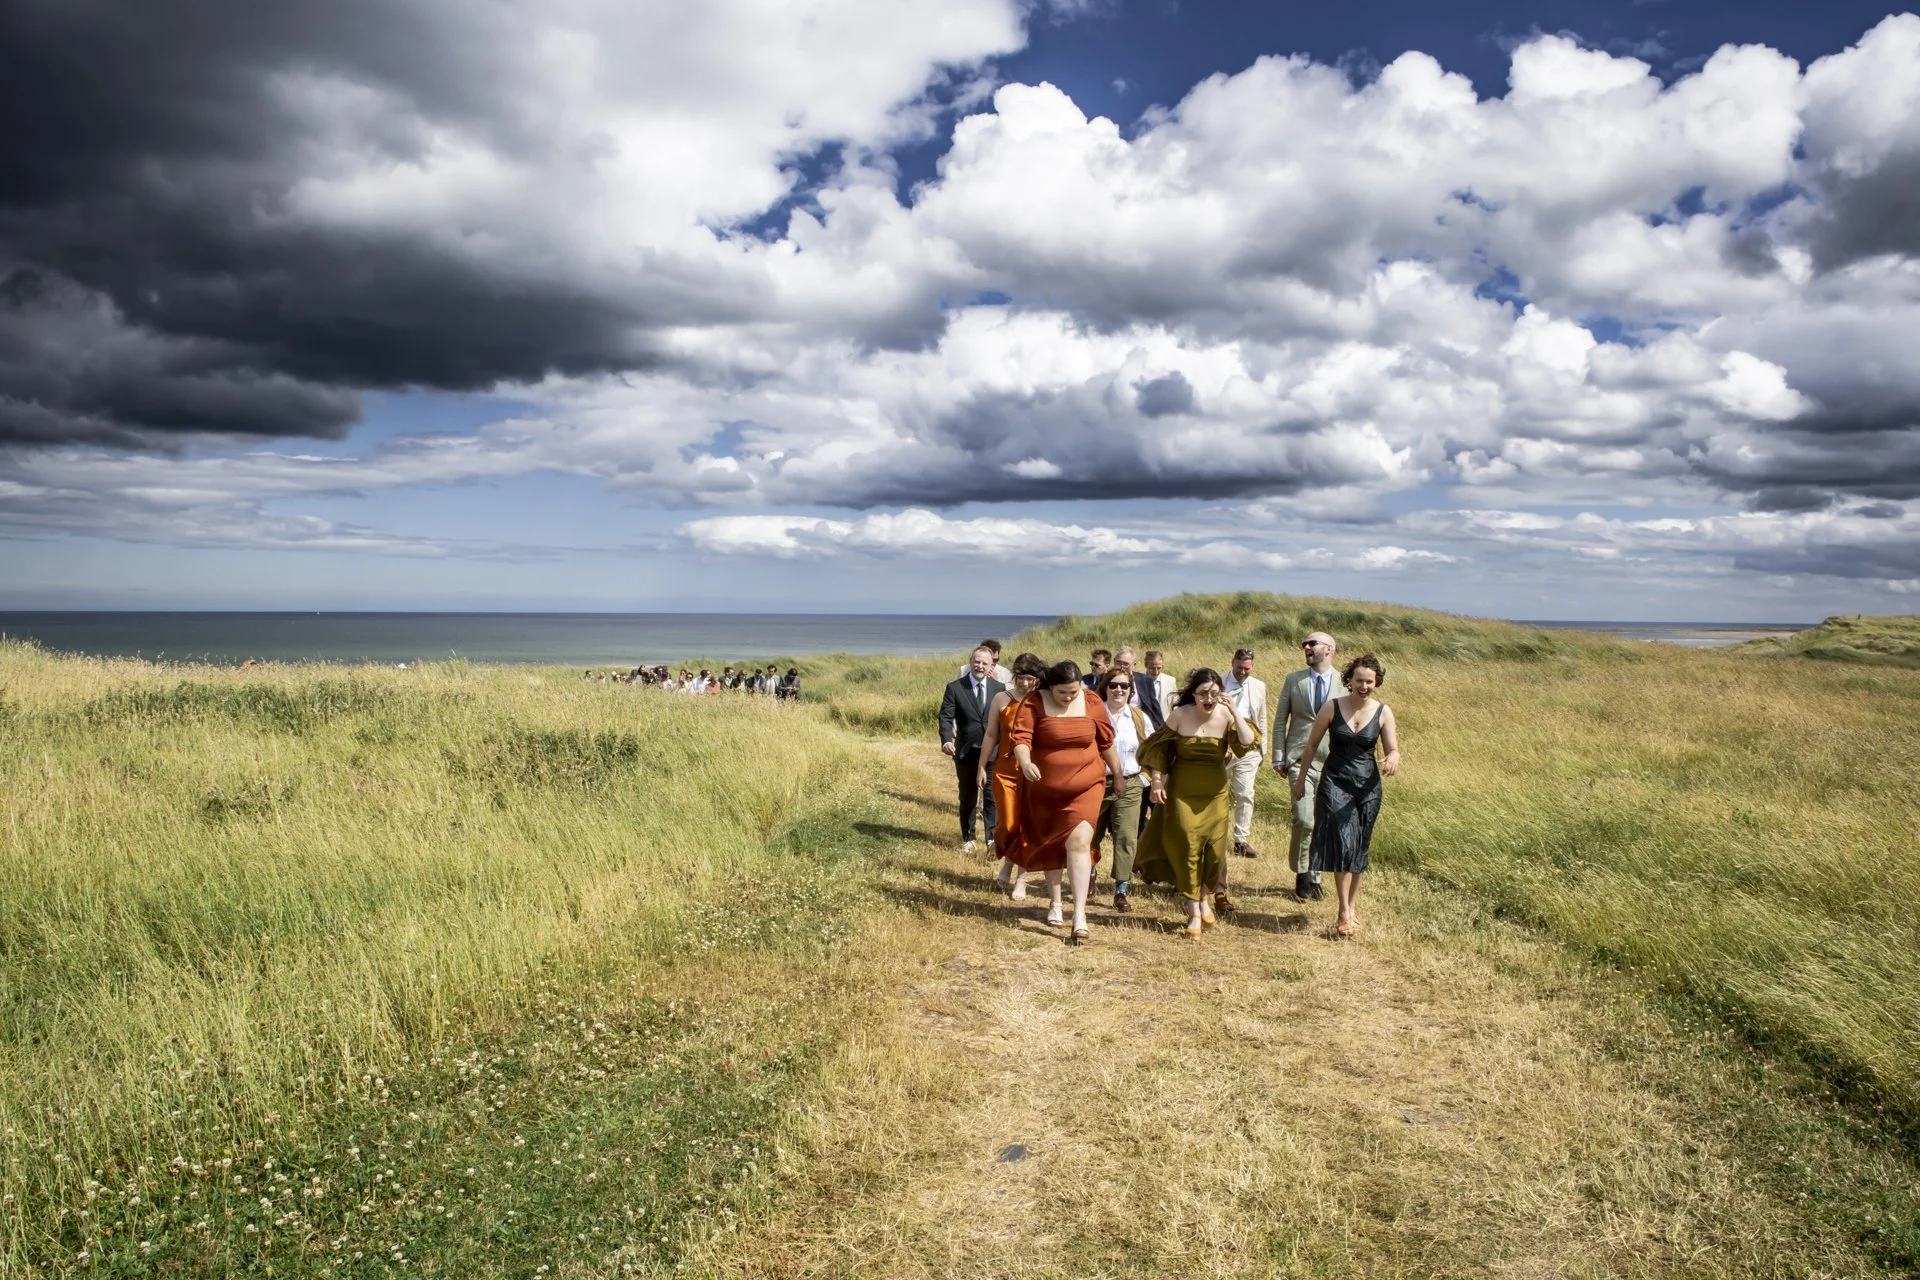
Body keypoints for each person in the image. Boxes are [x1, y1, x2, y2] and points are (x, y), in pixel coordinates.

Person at [1133, 667, 1261, 939]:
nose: (1209, 699)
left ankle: (1204, 898)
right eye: (1203, 693)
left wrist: (1234, 710)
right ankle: (1193, 910)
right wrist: (1156, 782)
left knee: (1215, 853)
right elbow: (1159, 750)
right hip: (1182, 792)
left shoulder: (1226, 715)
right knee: (1188, 848)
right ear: (1193, 693)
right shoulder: (1180, 715)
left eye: (1214, 693)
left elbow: (1248, 741)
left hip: (1215, 794)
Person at [1005, 659, 1120, 945]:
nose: (1068, 698)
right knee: (1052, 843)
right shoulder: (1034, 702)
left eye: (1073, 692)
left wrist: (1118, 774)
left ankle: (1079, 914)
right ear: (1050, 687)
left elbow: (1105, 743)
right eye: (1062, 693)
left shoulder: (1092, 701)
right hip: (1045, 790)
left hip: (1087, 786)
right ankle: (1055, 901)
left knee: (1078, 843)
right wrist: (1025, 762)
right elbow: (1021, 739)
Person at [1291, 654, 1400, 937]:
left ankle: (1352, 907)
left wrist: (1393, 757)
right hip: (1335, 783)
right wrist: (1301, 780)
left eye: (1369, 681)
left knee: (1359, 845)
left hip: (1367, 788)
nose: (1364, 686)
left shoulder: (1383, 712)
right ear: (1349, 680)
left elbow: (1392, 748)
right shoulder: (1332, 707)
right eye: (1359, 680)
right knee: (1342, 841)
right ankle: (1343, 911)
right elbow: (1311, 745)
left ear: (1376, 683)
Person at [1274, 631, 1344, 901]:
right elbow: (1281, 720)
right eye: (1304, 644)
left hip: (1332, 761)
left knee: (1323, 821)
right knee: (1304, 819)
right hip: (1298, 759)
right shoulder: (1294, 680)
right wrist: (1278, 756)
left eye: (1312, 643)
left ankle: (1315, 876)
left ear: (1329, 649)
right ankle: (1302, 872)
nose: (1306, 647)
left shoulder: (1344, 682)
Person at [981, 652, 1046, 901]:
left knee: (1027, 826)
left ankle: (1021, 878)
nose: (1025, 683)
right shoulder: (1002, 698)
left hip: (1033, 771)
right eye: (1021, 677)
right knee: (1008, 825)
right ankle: (1009, 861)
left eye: (1030, 678)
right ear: (1015, 676)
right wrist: (981, 766)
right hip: (1005, 769)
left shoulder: (1042, 701)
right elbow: (991, 735)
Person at [1091, 668, 1148, 913]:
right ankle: (1089, 874)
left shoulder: (1138, 717)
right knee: (1090, 834)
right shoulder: (1093, 714)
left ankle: (1121, 890)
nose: (1118, 690)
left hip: (1130, 784)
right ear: (1105, 687)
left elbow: (1152, 749)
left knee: (1126, 837)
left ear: (1130, 690)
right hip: (1096, 783)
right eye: (1113, 685)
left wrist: (1144, 779)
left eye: (1124, 686)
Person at [939, 647, 1007, 853]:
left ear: (991, 666)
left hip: (993, 752)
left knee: (991, 797)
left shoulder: (999, 688)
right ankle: (968, 838)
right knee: (968, 796)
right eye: (977, 662)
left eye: (985, 663)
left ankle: (991, 839)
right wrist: (946, 740)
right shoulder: (955, 687)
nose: (980, 666)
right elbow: (945, 716)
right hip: (967, 751)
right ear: (970, 661)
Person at [1223, 647, 1269, 860]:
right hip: (1223, 746)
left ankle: (1240, 840)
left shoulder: (1259, 686)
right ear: (1232, 662)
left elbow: (1262, 717)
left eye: (1247, 669)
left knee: (1245, 793)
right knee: (1217, 792)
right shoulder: (1219, 682)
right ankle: (1213, 834)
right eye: (1239, 668)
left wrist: (1262, 748)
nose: (1242, 672)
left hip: (1249, 747)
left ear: (1253, 666)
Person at [1133, 650, 1174, 730]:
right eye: (1152, 668)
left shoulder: (1170, 681)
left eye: (1159, 668)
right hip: (1144, 725)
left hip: (1165, 725)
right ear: (1146, 666)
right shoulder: (1138, 681)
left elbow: (1174, 705)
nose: (1156, 672)